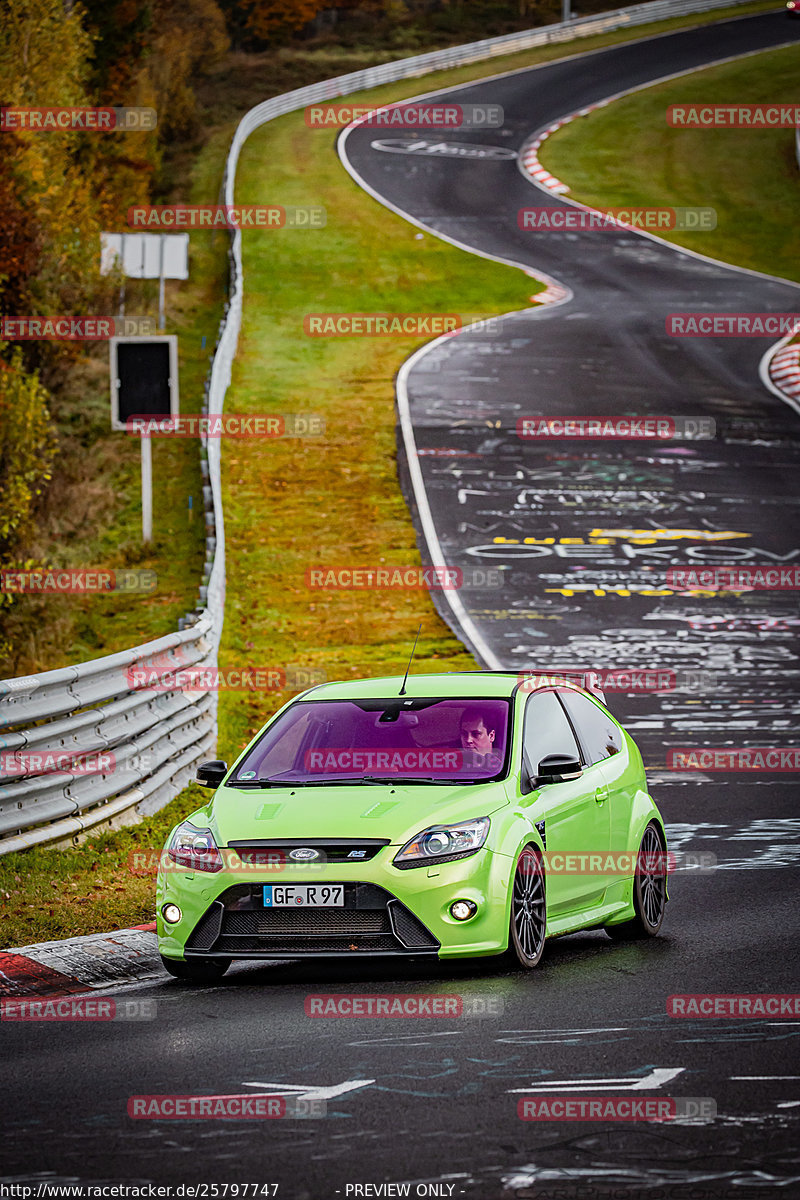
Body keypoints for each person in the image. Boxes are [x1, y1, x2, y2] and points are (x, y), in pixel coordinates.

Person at [459, 707, 503, 772]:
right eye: (464, 733)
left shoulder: (502, 769)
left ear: (491, 736)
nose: (468, 740)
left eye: (476, 734)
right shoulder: (452, 765)